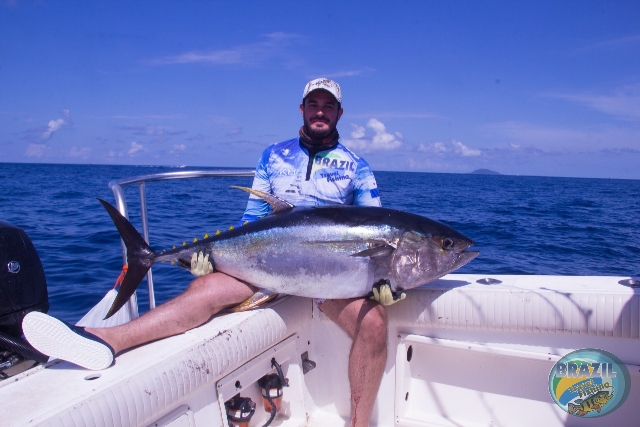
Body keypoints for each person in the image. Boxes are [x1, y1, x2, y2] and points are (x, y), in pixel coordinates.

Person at [23, 78, 403, 427]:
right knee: (203, 293)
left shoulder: (357, 167)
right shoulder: (273, 156)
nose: (321, 111)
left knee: (372, 323)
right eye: (313, 104)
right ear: (302, 109)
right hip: (265, 264)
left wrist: (386, 282)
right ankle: (108, 340)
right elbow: (251, 220)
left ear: (339, 113)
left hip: (327, 280)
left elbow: (373, 231)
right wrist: (212, 259)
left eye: (328, 106)